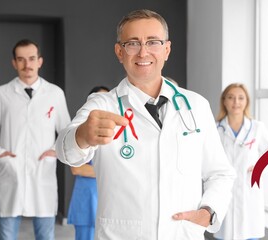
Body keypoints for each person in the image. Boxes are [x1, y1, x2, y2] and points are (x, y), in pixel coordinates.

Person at [55, 9, 235, 240]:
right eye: (132, 43)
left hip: (182, 234)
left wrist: (209, 211)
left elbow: (220, 173)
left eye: (153, 42)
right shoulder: (102, 105)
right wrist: (81, 136)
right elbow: (64, 151)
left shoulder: (196, 106)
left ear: (166, 50)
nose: (143, 51)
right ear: (120, 52)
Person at [0, 39, 71, 240]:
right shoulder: (1, 94)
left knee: (45, 236)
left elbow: (67, 131)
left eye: (31, 59)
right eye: (21, 59)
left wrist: (55, 150)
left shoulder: (55, 93)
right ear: (14, 63)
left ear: (40, 61)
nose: (27, 65)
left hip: (42, 172)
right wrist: (0, 154)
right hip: (12, 171)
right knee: (6, 235)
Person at [214, 83, 268, 240]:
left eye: (240, 98)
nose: (236, 102)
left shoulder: (257, 128)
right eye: (231, 98)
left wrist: (260, 166)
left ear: (246, 101)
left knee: (249, 232)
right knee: (224, 233)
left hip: (249, 190)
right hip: (224, 190)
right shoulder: (215, 129)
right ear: (224, 101)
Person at [67, 86, 109, 240]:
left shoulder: (118, 133)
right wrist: (111, 172)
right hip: (86, 198)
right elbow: (77, 169)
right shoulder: (80, 131)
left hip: (108, 198)